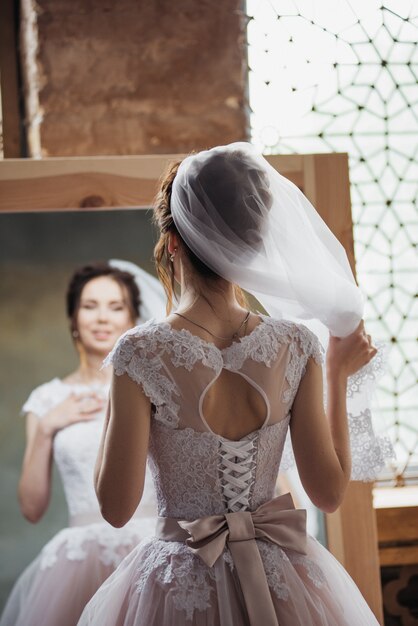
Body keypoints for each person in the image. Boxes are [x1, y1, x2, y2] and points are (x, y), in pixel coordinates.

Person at [78, 144, 392, 625]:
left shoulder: (139, 353)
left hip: (179, 583)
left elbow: (116, 508)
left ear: (173, 243)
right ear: (255, 241)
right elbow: (328, 494)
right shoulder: (297, 344)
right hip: (285, 578)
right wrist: (336, 372)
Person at [0, 261, 163, 626]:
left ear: (134, 318)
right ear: (74, 318)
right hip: (78, 562)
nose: (102, 318)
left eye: (115, 306)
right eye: (90, 306)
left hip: (153, 548)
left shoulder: (155, 390)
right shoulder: (47, 399)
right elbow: (31, 506)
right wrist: (46, 428)